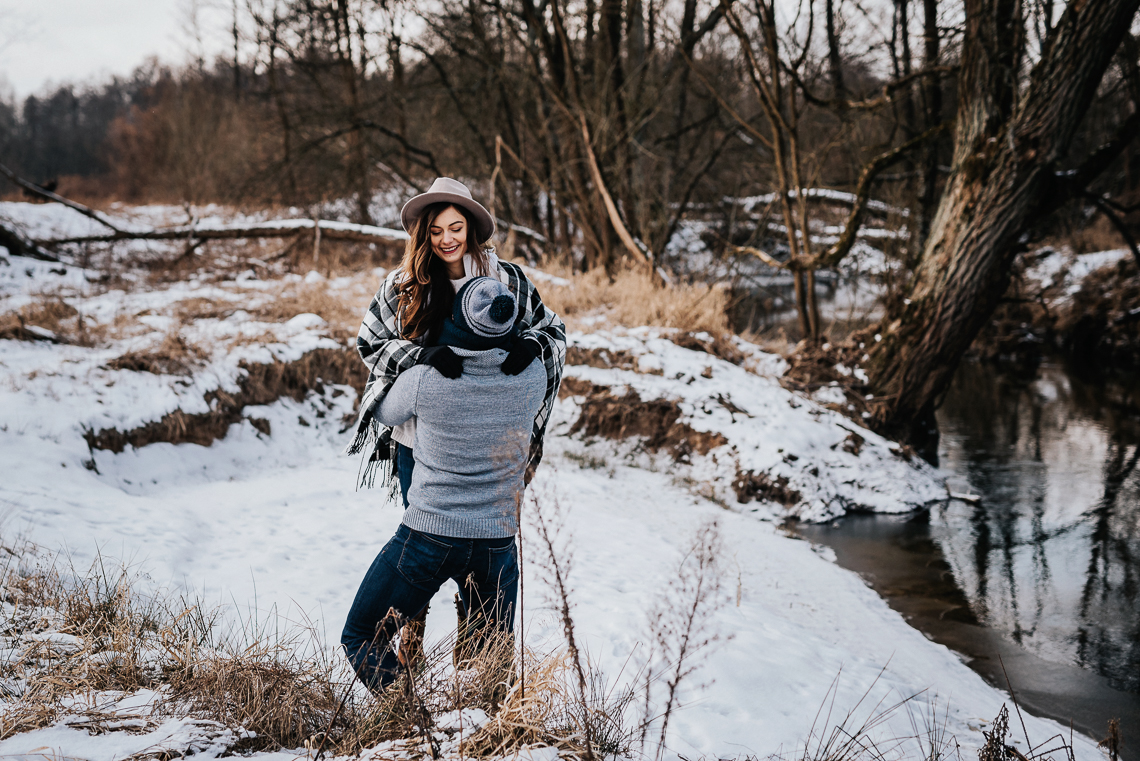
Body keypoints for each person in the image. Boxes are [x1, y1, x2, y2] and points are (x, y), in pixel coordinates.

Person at [340, 277, 547, 691]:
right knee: (487, 663)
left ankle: (410, 720)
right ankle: (479, 734)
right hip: (498, 541)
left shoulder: (425, 380)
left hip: (428, 536)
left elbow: (383, 412)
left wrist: (422, 358)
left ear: (454, 321)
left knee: (361, 635)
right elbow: (541, 344)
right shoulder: (533, 375)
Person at [347, 177, 566, 498]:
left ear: (471, 229)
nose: (446, 239)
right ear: (424, 234)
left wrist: (533, 345)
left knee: (491, 533)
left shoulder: (506, 278)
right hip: (419, 439)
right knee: (424, 532)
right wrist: (420, 357)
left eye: (455, 228)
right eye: (436, 231)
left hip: (492, 437)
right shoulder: (403, 285)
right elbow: (370, 344)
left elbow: (552, 329)